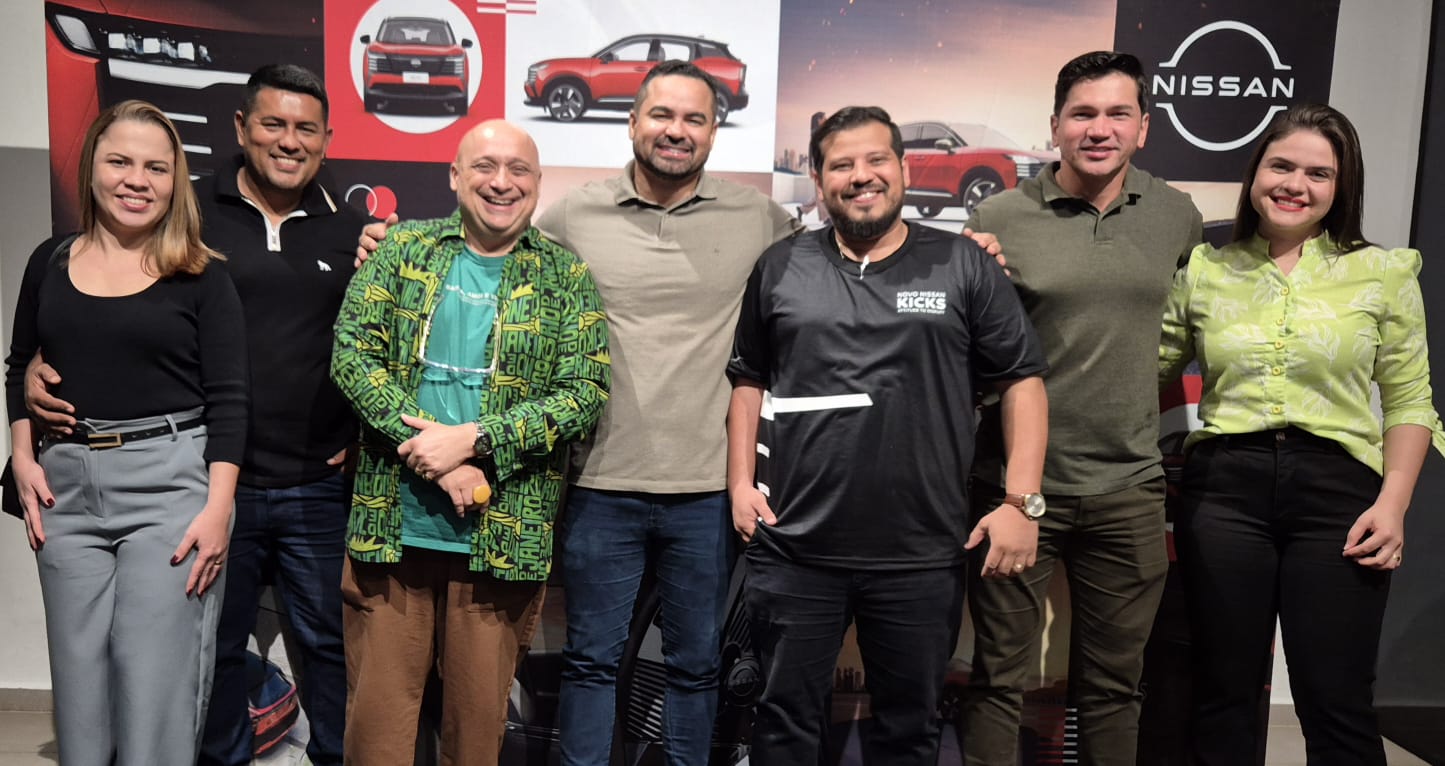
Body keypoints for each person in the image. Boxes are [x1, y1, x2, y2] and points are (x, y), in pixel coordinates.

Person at [355, 59, 801, 765]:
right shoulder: (572, 215)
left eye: (694, 118)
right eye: (661, 114)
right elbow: (491, 244)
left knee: (695, 665)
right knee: (591, 661)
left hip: (706, 487)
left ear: (715, 131)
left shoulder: (761, 217)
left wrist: (966, 247)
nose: (676, 131)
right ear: (632, 121)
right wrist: (384, 246)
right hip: (598, 482)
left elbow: (836, 260)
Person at [25, 65, 366, 766]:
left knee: (330, 650)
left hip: (305, 485)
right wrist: (30, 385)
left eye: (306, 128)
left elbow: (381, 344)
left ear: (327, 139)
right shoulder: (186, 213)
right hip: (205, 480)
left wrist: (366, 433)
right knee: (206, 660)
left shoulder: (353, 233)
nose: (289, 140)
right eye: (273, 123)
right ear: (241, 127)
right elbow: (67, 331)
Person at [727, 105, 1049, 762]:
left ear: (903, 168)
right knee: (782, 725)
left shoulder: (963, 263)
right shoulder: (780, 265)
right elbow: (748, 379)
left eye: (876, 160)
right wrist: (738, 484)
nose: (860, 175)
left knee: (908, 731)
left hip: (920, 552)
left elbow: (1022, 380)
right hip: (795, 548)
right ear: (819, 178)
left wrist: (1021, 502)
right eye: (841, 164)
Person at [1159, 103, 1445, 765]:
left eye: (1319, 173)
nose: (1295, 184)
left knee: (1336, 701)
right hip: (1223, 495)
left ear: (1342, 187)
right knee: (1222, 694)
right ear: (1254, 173)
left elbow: (1409, 401)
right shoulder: (1205, 269)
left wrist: (1393, 505)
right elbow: (1145, 368)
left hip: (1339, 500)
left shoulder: (1382, 272)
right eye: (1281, 165)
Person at [331, 119, 609, 765]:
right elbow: (351, 355)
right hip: (391, 532)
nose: (501, 182)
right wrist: (439, 461)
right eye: (484, 166)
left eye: (519, 169)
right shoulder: (403, 250)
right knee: (375, 737)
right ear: (455, 176)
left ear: (537, 184)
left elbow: (584, 390)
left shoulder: (565, 275)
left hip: (502, 540)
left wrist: (477, 441)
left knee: (477, 739)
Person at [960, 51, 1203, 766]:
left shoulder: (1176, 215)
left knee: (1113, 689)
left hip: (1129, 487)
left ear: (1143, 127)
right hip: (1014, 485)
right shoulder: (999, 216)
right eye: (1082, 114)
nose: (1099, 129)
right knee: (998, 680)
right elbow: (967, 349)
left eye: (1117, 114)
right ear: (1055, 126)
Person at [4, 99, 247, 765]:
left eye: (155, 168)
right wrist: (21, 456)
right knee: (79, 688)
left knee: (153, 686)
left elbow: (231, 400)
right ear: (91, 169)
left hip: (170, 489)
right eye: (120, 162)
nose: (136, 180)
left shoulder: (202, 274)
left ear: (175, 182)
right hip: (64, 491)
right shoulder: (49, 261)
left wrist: (218, 510)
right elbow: (19, 364)